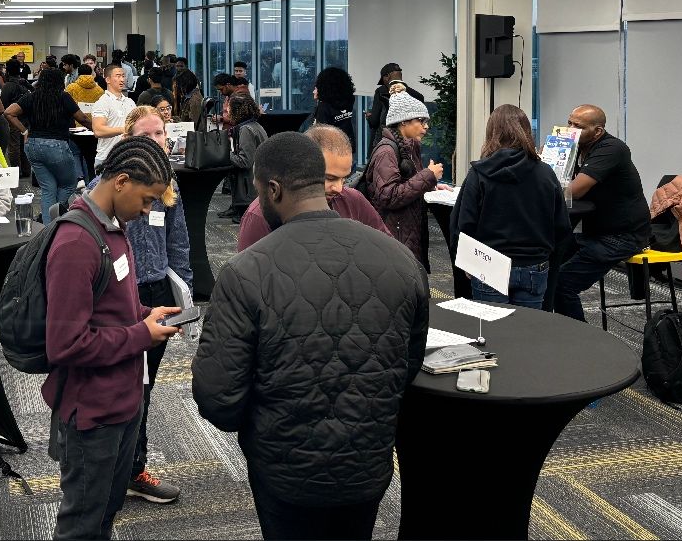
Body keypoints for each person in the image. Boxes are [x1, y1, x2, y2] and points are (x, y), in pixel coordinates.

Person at [192, 133, 429, 541]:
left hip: (284, 469)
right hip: (367, 462)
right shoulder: (403, 262)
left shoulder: (245, 272)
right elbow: (407, 364)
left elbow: (218, 400)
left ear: (274, 188)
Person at [43, 137, 182, 540]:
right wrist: (141, 334)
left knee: (106, 514)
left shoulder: (114, 228)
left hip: (122, 401)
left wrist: (143, 315)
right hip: (92, 413)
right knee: (83, 524)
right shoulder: (75, 243)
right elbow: (66, 344)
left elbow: (108, 308)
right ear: (121, 181)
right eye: (147, 199)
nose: (148, 210)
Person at [84, 107, 191, 506]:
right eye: (145, 136)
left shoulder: (167, 188)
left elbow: (179, 244)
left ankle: (131, 468)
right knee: (123, 386)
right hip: (119, 299)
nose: (156, 142)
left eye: (161, 134)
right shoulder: (106, 188)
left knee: (145, 388)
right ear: (127, 141)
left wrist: (185, 296)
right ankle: (118, 470)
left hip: (157, 294)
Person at [450, 104, 574, 309]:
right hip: (534, 265)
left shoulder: (479, 173)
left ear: (491, 132)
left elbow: (464, 224)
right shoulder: (546, 173)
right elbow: (561, 226)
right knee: (526, 333)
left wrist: (468, 261)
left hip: (488, 263)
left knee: (493, 333)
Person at [553, 104, 651, 322]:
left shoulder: (612, 149)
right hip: (592, 230)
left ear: (597, 131)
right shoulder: (576, 145)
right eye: (569, 123)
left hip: (621, 236)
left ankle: (579, 342)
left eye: (578, 126)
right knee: (546, 268)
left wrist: (550, 182)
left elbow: (574, 191)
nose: (570, 129)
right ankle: (550, 330)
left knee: (562, 284)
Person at [238, 124, 390, 250]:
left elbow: (388, 247)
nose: (338, 188)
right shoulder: (260, 214)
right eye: (329, 178)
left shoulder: (353, 200)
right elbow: (249, 276)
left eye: (345, 178)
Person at [365, 90, 446, 270]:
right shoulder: (386, 152)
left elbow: (409, 185)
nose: (426, 127)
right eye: (421, 121)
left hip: (407, 233)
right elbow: (389, 196)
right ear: (403, 121)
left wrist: (432, 186)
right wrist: (428, 176)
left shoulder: (411, 147)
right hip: (395, 237)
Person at [5, 68, 90, 223]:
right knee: (69, 184)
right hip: (57, 146)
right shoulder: (63, 97)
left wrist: (25, 131)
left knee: (48, 188)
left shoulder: (31, 97)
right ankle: (57, 218)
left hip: (32, 146)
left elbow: (9, 112)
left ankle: (47, 228)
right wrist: (96, 129)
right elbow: (82, 118)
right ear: (59, 81)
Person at [220, 93, 268, 223]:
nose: (227, 110)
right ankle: (236, 207)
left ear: (237, 110)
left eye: (229, 108)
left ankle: (239, 209)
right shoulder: (255, 125)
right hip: (255, 185)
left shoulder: (246, 130)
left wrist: (222, 152)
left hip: (249, 189)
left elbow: (245, 161)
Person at [366, 63, 425, 150]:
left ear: (387, 76)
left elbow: (375, 121)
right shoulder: (417, 96)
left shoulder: (381, 92)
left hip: (385, 141)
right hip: (408, 142)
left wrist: (369, 117)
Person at [90, 63, 136, 169]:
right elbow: (98, 131)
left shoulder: (130, 102)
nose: (122, 80)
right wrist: (125, 129)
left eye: (123, 76)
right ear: (108, 80)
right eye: (118, 76)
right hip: (107, 159)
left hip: (128, 157)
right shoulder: (103, 102)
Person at [311, 67, 357, 155]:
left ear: (324, 87)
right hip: (347, 145)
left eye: (316, 88)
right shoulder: (350, 101)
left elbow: (321, 135)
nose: (314, 91)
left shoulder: (323, 107)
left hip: (331, 152)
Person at [0, 72, 33, 178]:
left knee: (14, 146)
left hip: (12, 119)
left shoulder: (7, 86)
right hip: (26, 119)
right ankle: (27, 170)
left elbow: (4, 104)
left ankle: (16, 172)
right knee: (25, 144)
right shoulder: (24, 84)